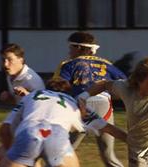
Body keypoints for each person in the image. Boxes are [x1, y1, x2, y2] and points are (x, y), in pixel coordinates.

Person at [0, 78, 127, 167]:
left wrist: (10, 151)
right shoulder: (75, 102)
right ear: (68, 92)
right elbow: (109, 128)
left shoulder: (32, 96)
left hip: (29, 132)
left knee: (1, 153)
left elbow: (4, 129)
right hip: (57, 136)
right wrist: (135, 141)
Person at [53, 31, 127, 167]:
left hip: (81, 105)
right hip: (104, 105)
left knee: (62, 153)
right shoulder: (107, 63)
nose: (69, 51)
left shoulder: (68, 64)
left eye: (71, 47)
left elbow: (58, 86)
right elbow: (125, 82)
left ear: (79, 48)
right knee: (108, 155)